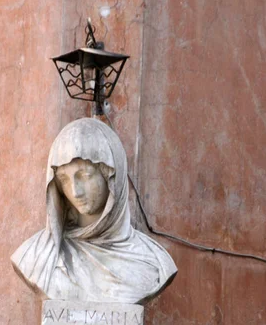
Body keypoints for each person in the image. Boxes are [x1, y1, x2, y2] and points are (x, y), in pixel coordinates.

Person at [11, 117, 177, 304]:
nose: (75, 191)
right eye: (64, 180)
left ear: (112, 178)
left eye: (85, 176)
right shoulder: (36, 257)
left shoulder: (154, 263)